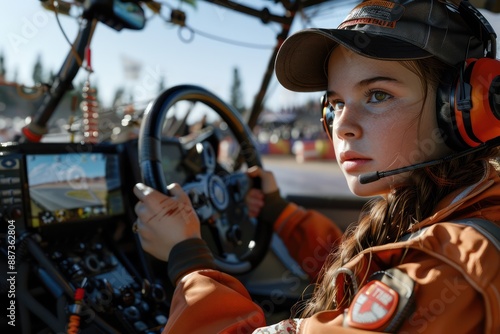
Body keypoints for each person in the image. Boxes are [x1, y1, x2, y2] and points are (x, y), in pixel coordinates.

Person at [133, 0, 500, 333]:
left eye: (378, 95)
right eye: (336, 102)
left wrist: (187, 259)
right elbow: (356, 261)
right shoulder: (444, 210)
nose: (341, 125)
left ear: (464, 108)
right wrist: (280, 213)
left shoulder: (454, 270)